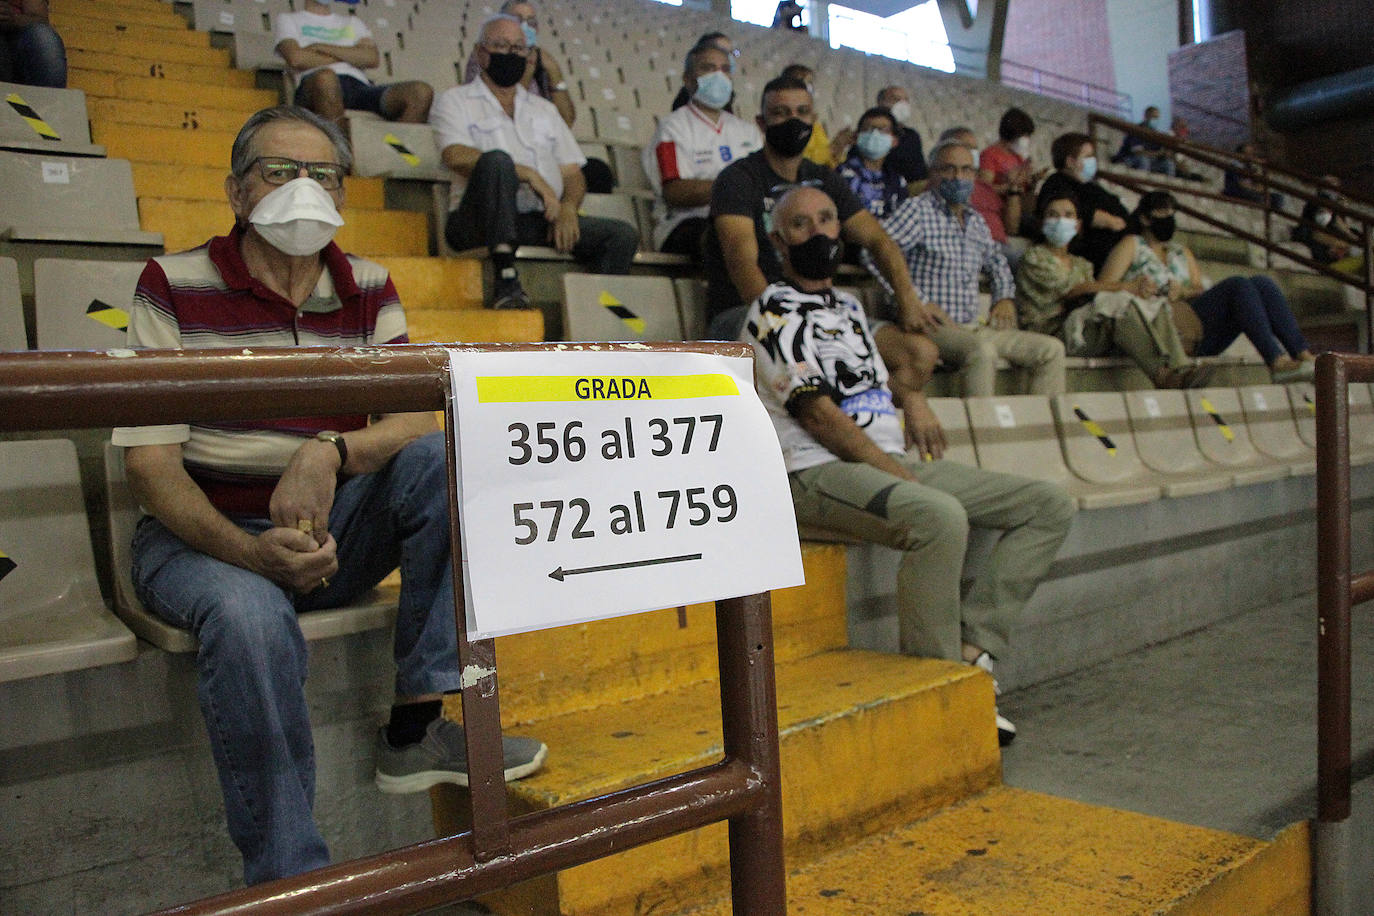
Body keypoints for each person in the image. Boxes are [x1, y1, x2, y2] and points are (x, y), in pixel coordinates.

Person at [111, 106, 547, 886]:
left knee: (445, 459)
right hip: (199, 541)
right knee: (248, 618)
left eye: (322, 175)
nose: (303, 189)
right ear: (236, 192)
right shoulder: (171, 283)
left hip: (326, 530)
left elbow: (415, 416)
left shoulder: (369, 285)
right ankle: (290, 883)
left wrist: (331, 450)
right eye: (280, 172)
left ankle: (417, 723)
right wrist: (251, 553)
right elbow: (149, 464)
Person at [743, 184, 1076, 745]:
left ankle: (972, 654)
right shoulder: (769, 312)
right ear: (779, 241)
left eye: (828, 219)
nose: (820, 232)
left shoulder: (848, 307)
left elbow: (874, 381)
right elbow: (820, 415)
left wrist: (911, 396)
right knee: (939, 517)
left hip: (883, 458)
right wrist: (890, 469)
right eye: (801, 224)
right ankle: (937, 687)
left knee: (1047, 505)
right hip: (813, 470)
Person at [702, 75, 944, 458]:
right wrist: (785, 320)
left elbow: (880, 240)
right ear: (761, 124)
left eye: (801, 112)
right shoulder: (739, 178)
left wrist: (908, 298)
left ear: (814, 119)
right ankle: (815, 448)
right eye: (780, 113)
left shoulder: (821, 178)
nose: (792, 121)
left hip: (821, 311)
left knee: (920, 353)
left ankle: (849, 441)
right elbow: (741, 261)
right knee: (813, 359)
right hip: (747, 313)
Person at [431, 15, 639, 309]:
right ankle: (506, 280)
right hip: (476, 220)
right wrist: (527, 173)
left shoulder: (544, 110)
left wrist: (568, 208)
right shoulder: (454, 101)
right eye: (500, 46)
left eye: (518, 48)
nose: (510, 54)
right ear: (481, 53)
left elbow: (572, 172)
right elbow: (454, 155)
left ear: (529, 55)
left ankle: (596, 319)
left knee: (621, 236)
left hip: (533, 218)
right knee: (497, 161)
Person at [870, 138, 1066, 396]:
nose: (958, 177)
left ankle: (1043, 433)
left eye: (966, 170)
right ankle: (984, 432)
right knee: (981, 352)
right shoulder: (917, 211)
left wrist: (1004, 296)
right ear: (933, 173)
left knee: (1051, 350)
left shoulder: (976, 222)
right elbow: (873, 253)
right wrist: (916, 301)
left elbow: (997, 262)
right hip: (931, 326)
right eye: (948, 169)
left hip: (974, 325)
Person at [1100, 190, 1316, 382]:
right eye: (1162, 215)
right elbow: (1104, 288)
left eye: (1171, 215)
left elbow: (1198, 290)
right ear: (1145, 218)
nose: (1168, 220)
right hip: (1159, 325)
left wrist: (1182, 291)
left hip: (1193, 322)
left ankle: (1304, 355)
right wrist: (1136, 287)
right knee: (1238, 285)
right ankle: (1276, 362)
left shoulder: (1180, 252)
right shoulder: (1132, 245)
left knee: (1262, 283)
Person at [1016, 191, 1212, 388]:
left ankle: (1181, 370)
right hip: (1053, 336)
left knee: (1152, 304)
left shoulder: (1081, 264)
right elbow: (1073, 291)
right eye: (1053, 215)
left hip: (1082, 329)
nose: (1061, 221)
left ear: (1078, 225)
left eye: (1068, 215)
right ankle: (1162, 376)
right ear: (1041, 222)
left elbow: (1090, 296)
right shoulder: (1034, 257)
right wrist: (1127, 287)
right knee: (1117, 303)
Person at [461, 0, 613, 192]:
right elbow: (505, 106)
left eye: (531, 22)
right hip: (505, 146)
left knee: (597, 172)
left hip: (542, 146)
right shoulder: (487, 57)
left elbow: (565, 121)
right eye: (516, 19)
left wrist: (555, 73)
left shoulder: (543, 61)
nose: (524, 27)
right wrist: (527, 68)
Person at [643, 39, 760, 258]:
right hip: (687, 223)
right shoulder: (671, 128)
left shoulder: (748, 132)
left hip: (744, 219)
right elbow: (674, 191)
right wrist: (734, 186)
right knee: (727, 237)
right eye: (708, 68)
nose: (718, 76)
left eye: (725, 69)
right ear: (688, 80)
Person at [274, 0, 432, 125]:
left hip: (358, 87)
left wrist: (319, 47)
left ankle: (399, 157)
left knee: (420, 91)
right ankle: (343, 161)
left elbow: (371, 58)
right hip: (313, 85)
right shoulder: (288, 19)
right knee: (326, 77)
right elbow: (296, 58)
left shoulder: (353, 22)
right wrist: (351, 54)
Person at [1036, 132, 1129, 274]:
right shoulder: (1055, 183)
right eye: (1088, 157)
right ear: (1070, 161)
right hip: (1087, 254)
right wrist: (1102, 218)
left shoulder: (1089, 186)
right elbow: (1085, 215)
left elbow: (1118, 212)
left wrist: (1109, 219)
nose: (1092, 161)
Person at [940, 126, 1020, 266]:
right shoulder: (945, 183)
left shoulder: (985, 187)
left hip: (999, 246)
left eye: (975, 148)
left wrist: (1013, 187)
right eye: (966, 147)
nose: (973, 153)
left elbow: (1012, 228)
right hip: (974, 247)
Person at [978, 107, 1042, 236]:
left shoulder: (1017, 157)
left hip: (1018, 207)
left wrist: (1032, 181)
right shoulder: (989, 155)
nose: (1027, 139)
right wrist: (1009, 186)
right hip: (1001, 211)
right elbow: (984, 189)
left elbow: (1024, 191)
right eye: (1025, 135)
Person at [836, 106, 908, 220]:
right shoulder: (840, 174)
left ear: (894, 141)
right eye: (868, 129)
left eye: (883, 130)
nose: (875, 134)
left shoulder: (897, 181)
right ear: (856, 136)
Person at [779, 64, 852, 168]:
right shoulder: (781, 119)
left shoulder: (815, 124)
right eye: (802, 82)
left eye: (810, 83)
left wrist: (839, 147)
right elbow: (797, 160)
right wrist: (833, 148)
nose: (808, 87)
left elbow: (829, 161)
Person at [1293, 179, 1365, 275]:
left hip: (1330, 241)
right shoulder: (1317, 203)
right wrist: (1344, 245)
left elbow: (1340, 225)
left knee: (1358, 237)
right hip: (1318, 243)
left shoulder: (1333, 205)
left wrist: (1352, 240)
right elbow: (1317, 232)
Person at [0, 0, 65, 88]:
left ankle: (49, 99)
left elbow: (40, 19)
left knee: (44, 37)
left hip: (16, 37)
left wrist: (13, 18)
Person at [671, 31, 737, 113]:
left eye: (731, 53)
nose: (727, 57)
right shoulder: (687, 99)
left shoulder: (727, 94)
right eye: (721, 51)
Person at [875, 85, 927, 184]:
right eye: (896, 99)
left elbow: (919, 173)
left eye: (906, 100)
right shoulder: (870, 135)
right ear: (880, 103)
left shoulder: (912, 136)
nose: (903, 104)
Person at [1111, 105, 1174, 176]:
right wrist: (1157, 153)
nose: (1156, 120)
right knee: (1143, 160)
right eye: (1154, 117)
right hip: (1129, 158)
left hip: (1150, 162)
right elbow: (1137, 152)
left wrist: (1166, 153)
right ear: (1146, 116)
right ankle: (1142, 184)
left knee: (1168, 164)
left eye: (1157, 118)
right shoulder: (1137, 130)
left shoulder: (1155, 134)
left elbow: (1160, 151)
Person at [1223, 141, 1283, 209]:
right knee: (1258, 199)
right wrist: (1255, 188)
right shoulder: (1233, 166)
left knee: (1278, 198)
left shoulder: (1250, 167)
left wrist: (1259, 187)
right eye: (1247, 154)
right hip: (1237, 191)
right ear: (1240, 154)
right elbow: (1240, 184)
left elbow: (1260, 184)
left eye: (1251, 154)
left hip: (1251, 191)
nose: (1250, 157)